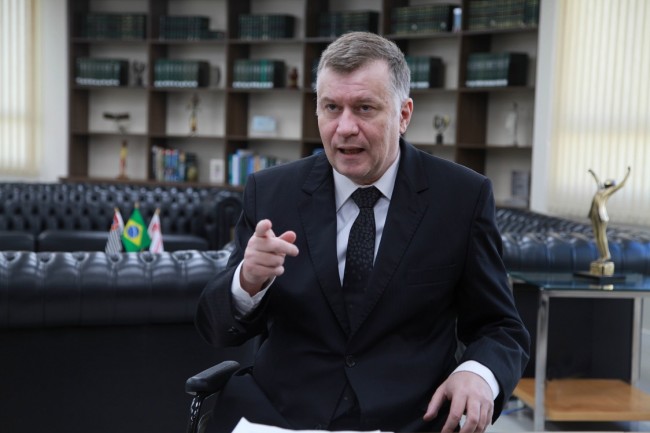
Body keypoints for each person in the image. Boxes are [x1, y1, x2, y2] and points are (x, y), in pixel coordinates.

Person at [196, 31, 530, 433]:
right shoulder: (270, 193)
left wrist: (478, 373)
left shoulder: (461, 198)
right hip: (280, 415)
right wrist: (246, 282)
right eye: (331, 107)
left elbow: (501, 327)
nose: (345, 127)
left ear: (404, 114)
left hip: (410, 417)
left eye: (364, 108)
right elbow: (217, 328)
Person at [588, 166, 631, 262]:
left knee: (602, 235)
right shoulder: (600, 189)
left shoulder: (609, 191)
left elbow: (621, 185)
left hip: (601, 216)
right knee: (596, 235)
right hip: (593, 214)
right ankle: (602, 255)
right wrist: (593, 173)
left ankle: (606, 254)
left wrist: (628, 174)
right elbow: (597, 180)